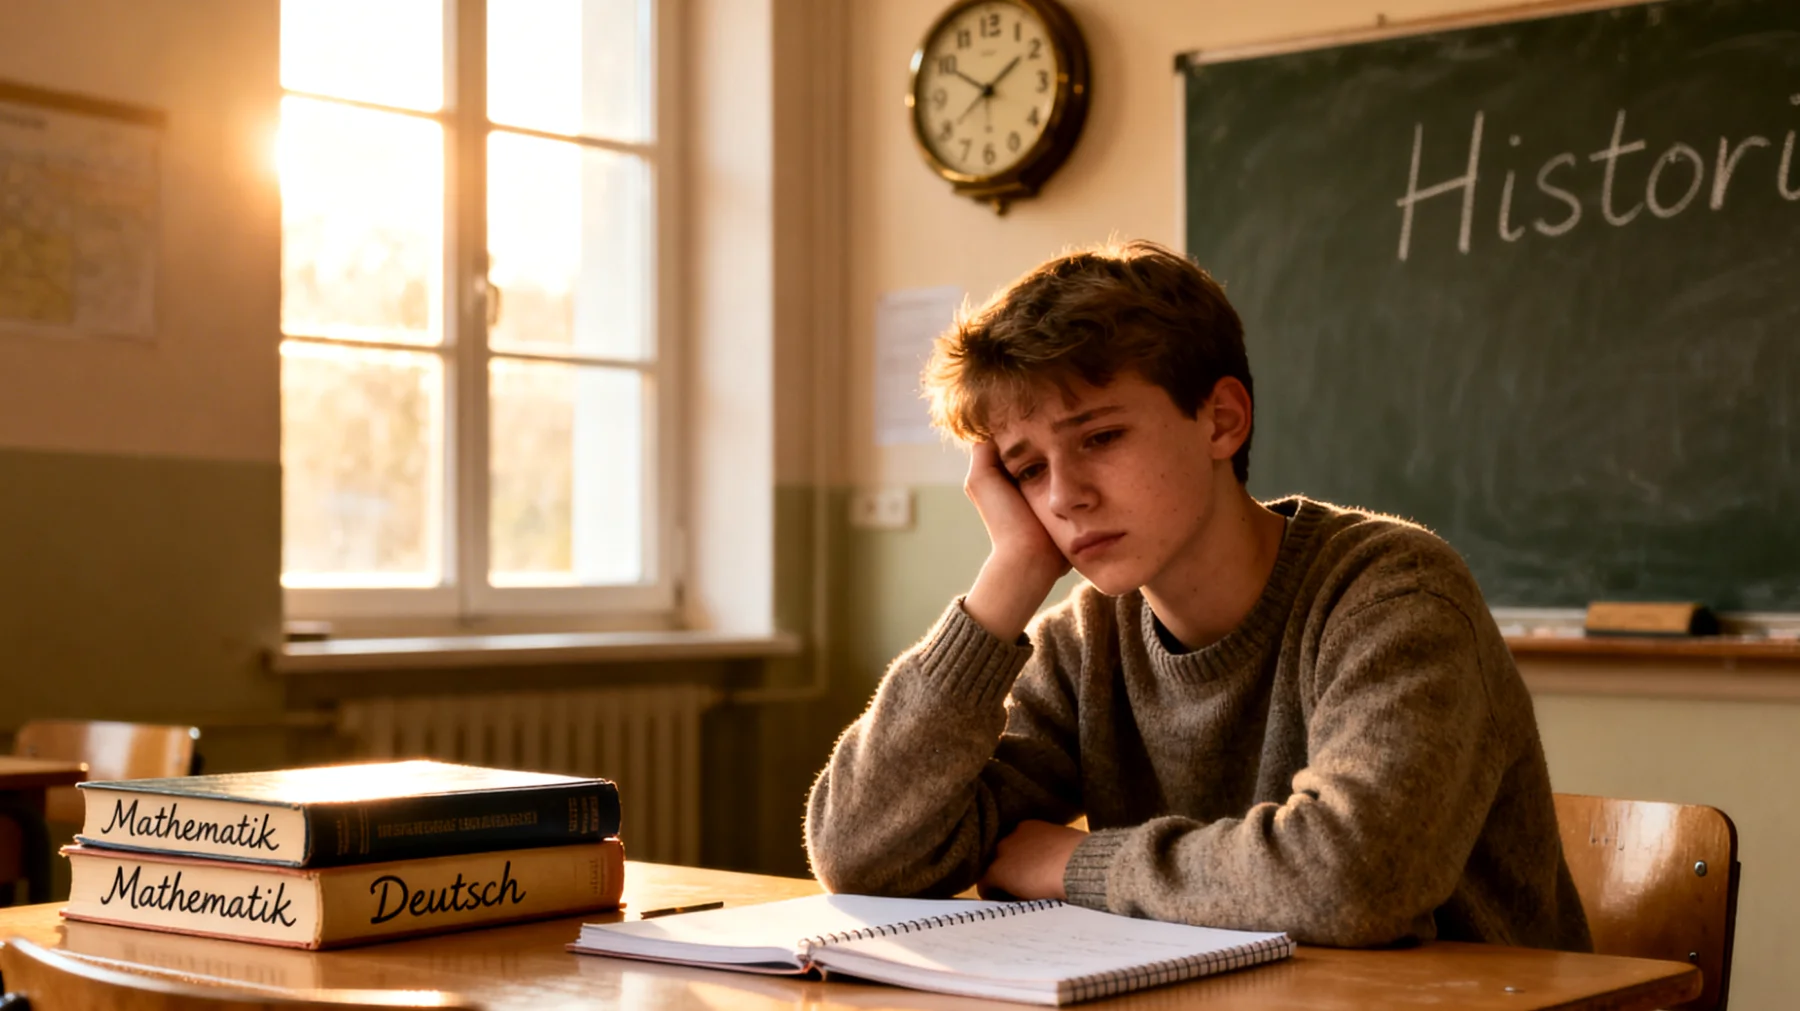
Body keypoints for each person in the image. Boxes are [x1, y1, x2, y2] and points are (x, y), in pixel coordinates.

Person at [803, 240, 1591, 950]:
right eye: (1027, 468)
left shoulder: (1394, 592)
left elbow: (1357, 880)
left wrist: (1076, 860)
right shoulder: (1088, 640)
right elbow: (865, 853)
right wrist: (1009, 575)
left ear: (1221, 420)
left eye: (1100, 437)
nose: (1065, 495)